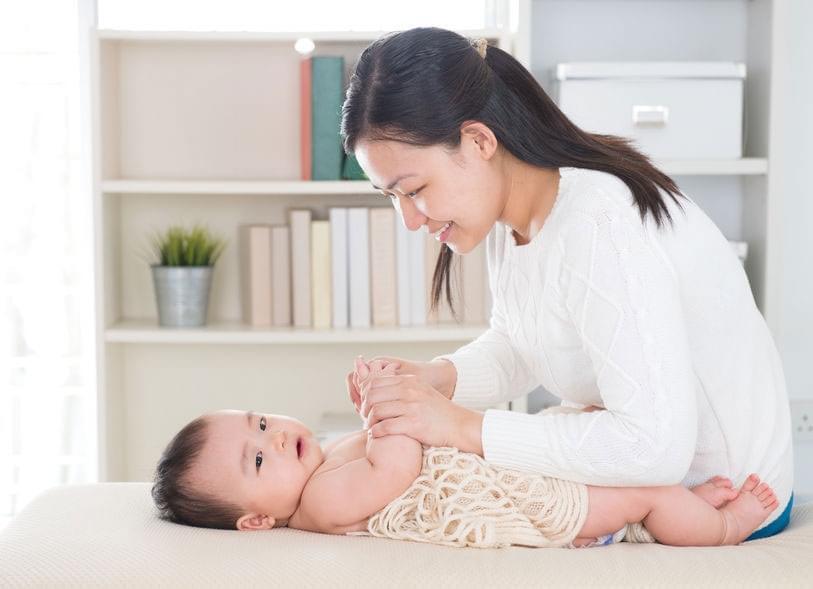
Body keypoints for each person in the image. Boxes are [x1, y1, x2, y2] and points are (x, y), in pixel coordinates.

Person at [340, 27, 794, 540]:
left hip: (723, 499)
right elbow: (523, 343)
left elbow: (653, 448)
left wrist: (460, 426)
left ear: (479, 141)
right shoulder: (513, 215)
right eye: (390, 197)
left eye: (414, 190)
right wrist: (436, 379)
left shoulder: (597, 223)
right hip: (656, 487)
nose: (410, 221)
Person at [151, 358, 778, 548]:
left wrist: (382, 398)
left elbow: (391, 439)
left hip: (503, 468)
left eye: (260, 422)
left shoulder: (321, 463)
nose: (272, 438)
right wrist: (383, 410)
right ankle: (719, 526)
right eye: (257, 461)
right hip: (519, 499)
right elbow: (396, 466)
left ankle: (678, 507)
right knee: (639, 491)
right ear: (257, 519)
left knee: (584, 430)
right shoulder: (318, 505)